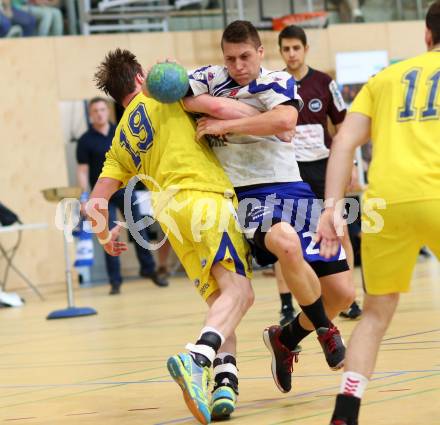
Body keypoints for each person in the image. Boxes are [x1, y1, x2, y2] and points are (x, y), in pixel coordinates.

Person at [183, 20, 353, 396]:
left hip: (293, 187)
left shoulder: (277, 81)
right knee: (285, 242)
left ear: (261, 52)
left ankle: (286, 339)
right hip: (247, 194)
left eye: (245, 56)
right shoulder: (212, 76)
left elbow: (285, 120)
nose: (238, 65)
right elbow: (176, 94)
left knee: (342, 293)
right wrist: (206, 102)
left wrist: (225, 120)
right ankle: (326, 331)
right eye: (231, 59)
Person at [88, 48, 254, 424]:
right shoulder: (166, 93)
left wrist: (105, 237)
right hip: (203, 197)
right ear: (141, 76)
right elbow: (223, 108)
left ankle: (224, 384)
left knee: (221, 300)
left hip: (171, 216)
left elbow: (95, 203)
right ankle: (196, 358)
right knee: (241, 292)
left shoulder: (119, 140)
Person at [316, 2, 440, 424]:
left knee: (374, 314)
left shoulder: (385, 78)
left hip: (384, 201)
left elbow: (344, 142)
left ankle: (346, 411)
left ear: (426, 35)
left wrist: (331, 207)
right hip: (437, 193)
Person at [277, 24, 362, 324]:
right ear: (280, 52)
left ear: (305, 49)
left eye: (296, 48)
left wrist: (350, 163)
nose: (291, 54)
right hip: (289, 173)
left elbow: (343, 127)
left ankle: (348, 296)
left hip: (325, 169)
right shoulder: (275, 84)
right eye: (286, 49)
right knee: (285, 237)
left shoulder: (325, 83)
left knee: (340, 230)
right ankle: (286, 304)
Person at [76, 97, 168, 294]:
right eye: (95, 111)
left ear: (107, 111)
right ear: (91, 115)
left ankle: (149, 270)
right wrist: (84, 198)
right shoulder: (85, 141)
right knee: (107, 234)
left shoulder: (121, 132)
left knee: (139, 229)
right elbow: (82, 171)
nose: (100, 113)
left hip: (126, 190)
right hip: (102, 194)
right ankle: (115, 281)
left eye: (102, 109)